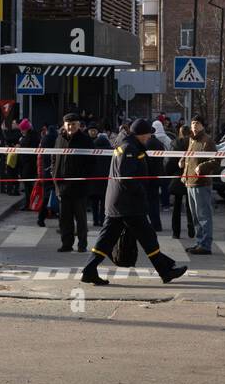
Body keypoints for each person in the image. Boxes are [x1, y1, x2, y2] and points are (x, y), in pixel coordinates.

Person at [80, 119, 188, 286]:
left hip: (121, 203)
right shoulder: (129, 149)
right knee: (148, 237)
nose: (150, 136)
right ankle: (165, 271)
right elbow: (127, 178)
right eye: (148, 133)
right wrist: (141, 191)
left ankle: (89, 270)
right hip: (128, 204)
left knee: (107, 239)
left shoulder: (129, 145)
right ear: (141, 134)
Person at [52, 113, 92, 252]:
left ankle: (82, 244)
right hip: (62, 187)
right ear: (64, 125)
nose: (71, 127)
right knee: (64, 219)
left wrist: (86, 181)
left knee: (80, 219)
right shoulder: (59, 139)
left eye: (74, 124)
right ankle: (66, 244)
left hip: (79, 188)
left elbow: (91, 164)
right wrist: (55, 178)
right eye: (68, 124)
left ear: (79, 125)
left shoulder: (85, 140)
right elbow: (54, 159)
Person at [182, 115, 219, 256]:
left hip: (201, 183)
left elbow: (216, 160)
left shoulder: (207, 141)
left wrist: (202, 167)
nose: (194, 125)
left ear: (203, 125)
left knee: (204, 215)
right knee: (195, 216)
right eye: (192, 123)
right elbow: (189, 158)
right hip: (190, 182)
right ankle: (199, 242)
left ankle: (205, 244)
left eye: (197, 123)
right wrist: (183, 163)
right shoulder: (192, 139)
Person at [168, 124, 195, 239]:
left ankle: (176, 232)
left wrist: (169, 173)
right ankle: (191, 230)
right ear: (189, 133)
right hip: (190, 176)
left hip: (177, 177)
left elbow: (171, 162)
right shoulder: (193, 143)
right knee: (190, 206)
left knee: (176, 207)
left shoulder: (175, 144)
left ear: (179, 133)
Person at [142, 121, 168, 231]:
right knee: (154, 202)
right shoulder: (158, 143)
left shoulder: (147, 144)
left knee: (150, 202)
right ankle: (157, 224)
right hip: (158, 175)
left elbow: (147, 162)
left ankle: (153, 224)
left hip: (149, 177)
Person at [87, 123, 112, 226]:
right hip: (105, 180)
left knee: (94, 203)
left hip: (93, 180)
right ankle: (102, 220)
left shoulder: (92, 149)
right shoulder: (110, 150)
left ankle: (95, 220)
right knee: (103, 203)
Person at [17, 118, 39, 205]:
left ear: (26, 129)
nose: (21, 131)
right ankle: (29, 202)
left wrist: (20, 147)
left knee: (28, 185)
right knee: (28, 185)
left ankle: (28, 203)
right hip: (28, 164)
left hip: (28, 164)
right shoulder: (31, 136)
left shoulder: (30, 137)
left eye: (22, 129)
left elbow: (27, 150)